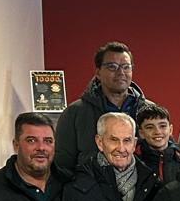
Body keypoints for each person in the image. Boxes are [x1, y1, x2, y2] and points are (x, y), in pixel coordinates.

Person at [54, 41, 146, 179]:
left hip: (142, 195)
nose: (121, 72)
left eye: (126, 67)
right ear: (98, 72)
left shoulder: (148, 111)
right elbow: (62, 166)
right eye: (112, 67)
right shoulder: (75, 113)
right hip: (89, 195)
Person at [134, 102, 180, 182]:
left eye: (162, 126)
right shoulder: (133, 163)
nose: (157, 132)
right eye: (150, 127)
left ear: (170, 130)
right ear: (141, 133)